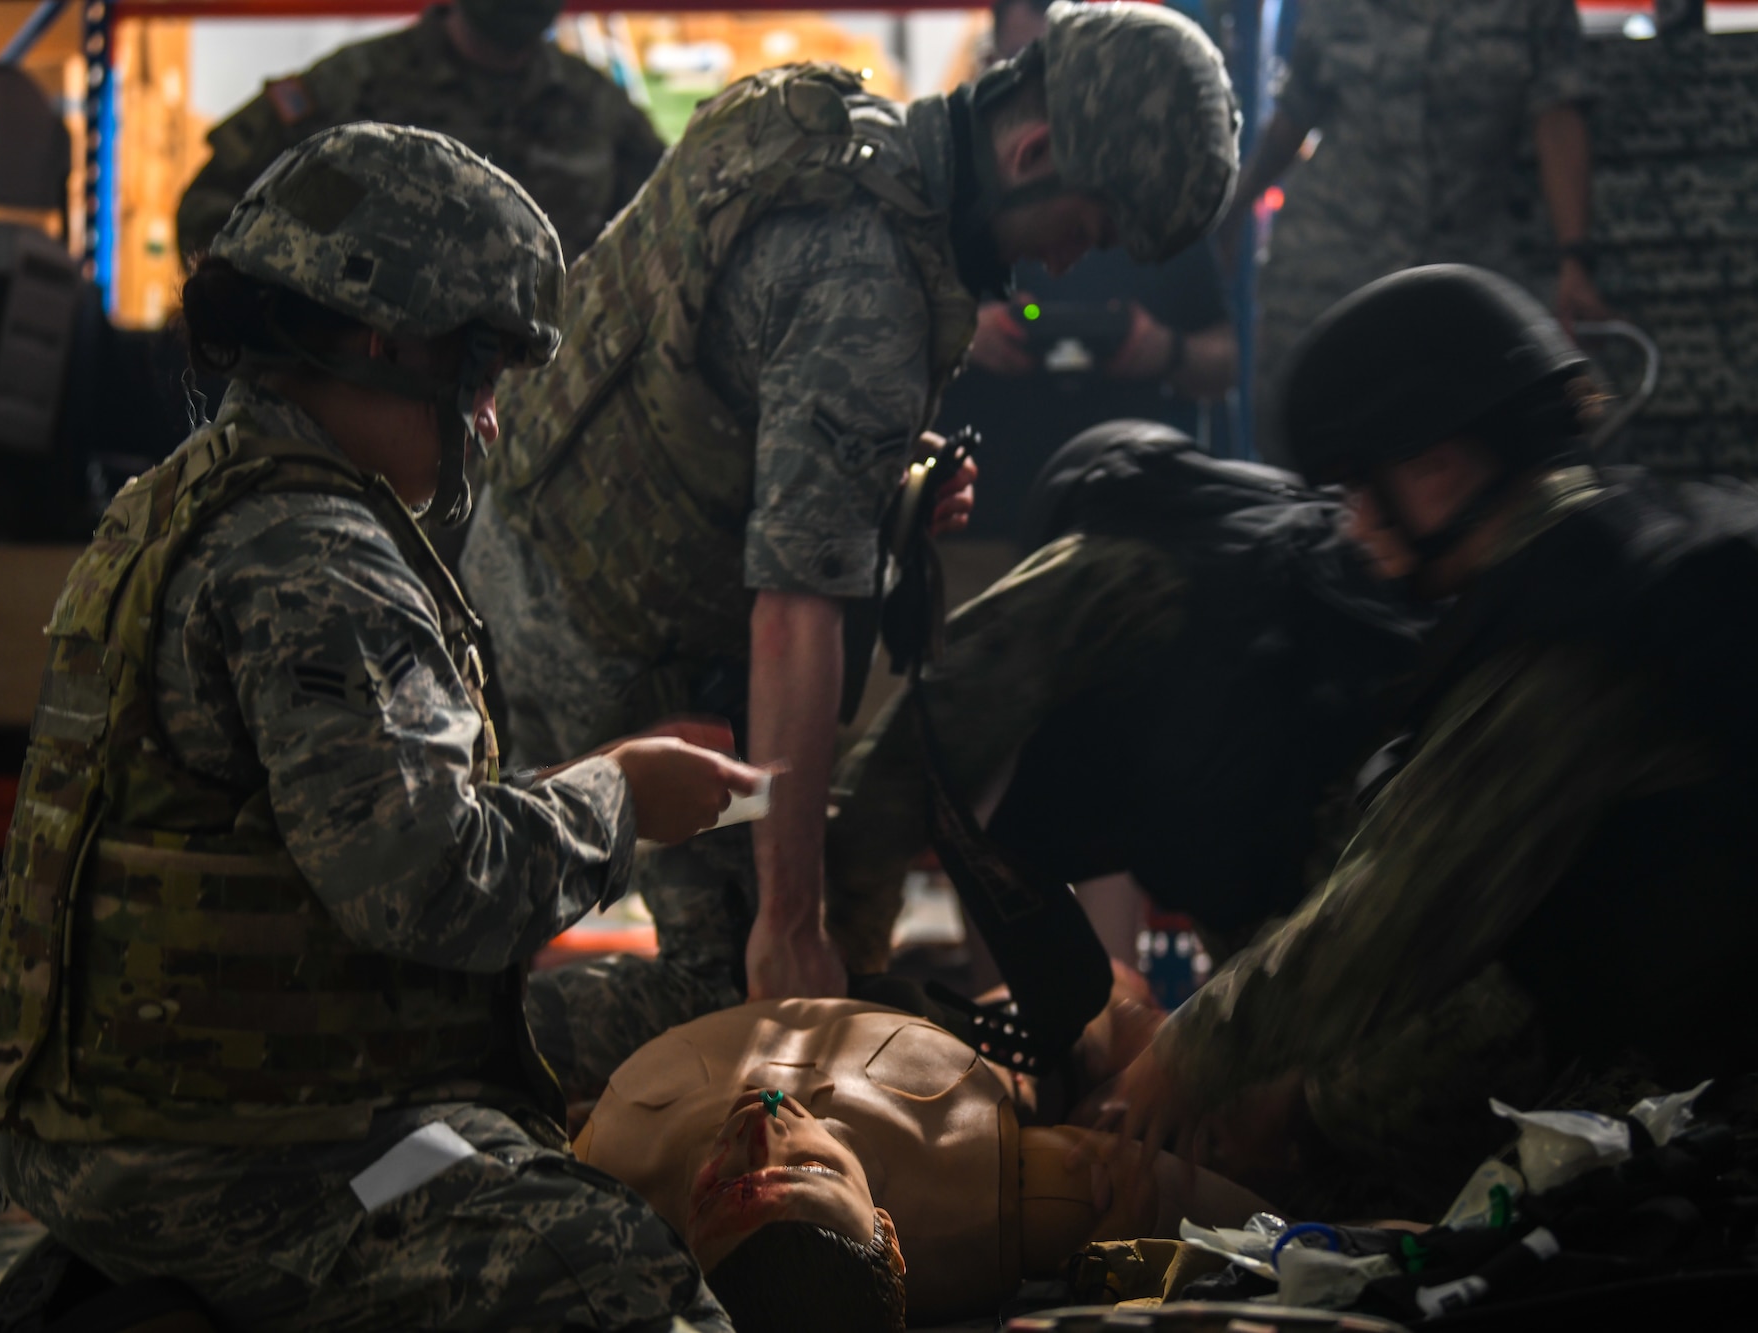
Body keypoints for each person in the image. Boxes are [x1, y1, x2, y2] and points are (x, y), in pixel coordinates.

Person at [0, 124, 766, 1331]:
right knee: (613, 1272)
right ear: (386, 344)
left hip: (133, 1123)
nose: (485, 422)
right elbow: (423, 884)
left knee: (504, 1136)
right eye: (478, 376)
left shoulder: (175, 503)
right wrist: (619, 801)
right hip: (254, 1161)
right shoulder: (319, 556)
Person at [467, 2, 1243, 1081]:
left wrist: (881, 474)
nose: (1072, 264)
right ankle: (449, 1055)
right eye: (1086, 225)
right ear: (1033, 150)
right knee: (736, 988)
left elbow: (715, 360)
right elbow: (795, 611)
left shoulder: (816, 119)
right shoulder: (873, 281)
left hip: (511, 551)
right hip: (617, 639)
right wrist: (789, 919)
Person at [1085, 265, 1758, 1229]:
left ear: (1438, 467)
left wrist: (1188, 1058)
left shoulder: (1571, 643)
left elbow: (1396, 903)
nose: (1353, 521)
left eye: (1361, 485)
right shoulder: (1597, 567)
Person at [827, 419, 1425, 980]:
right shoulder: (1293, 526)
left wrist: (851, 982)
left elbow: (912, 759)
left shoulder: (1102, 562)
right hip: (1405, 899)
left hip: (1336, 935)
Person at [574, 997, 1272, 1331]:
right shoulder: (983, 1197)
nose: (762, 1124)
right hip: (964, 1040)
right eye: (813, 1168)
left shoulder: (605, 1181)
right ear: (890, 1228)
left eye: (722, 1185)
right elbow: (1267, 1227)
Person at [1226, 0, 1611, 459]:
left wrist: (1575, 258)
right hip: (1332, 255)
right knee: (1302, 443)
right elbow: (1296, 111)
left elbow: (1558, 116)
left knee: (1485, 444)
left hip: (1465, 257)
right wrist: (1236, 206)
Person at [943, 0, 1237, 538]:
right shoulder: (936, 201)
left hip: (1131, 529)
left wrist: (1164, 350)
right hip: (982, 524)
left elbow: (1228, 360)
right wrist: (959, 333)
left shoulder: (1155, 195)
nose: (1059, 264)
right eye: (1018, 66)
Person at [175, 0, 665, 262]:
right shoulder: (353, 90)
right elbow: (211, 211)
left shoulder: (598, 109)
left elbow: (665, 239)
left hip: (554, 409)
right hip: (376, 410)